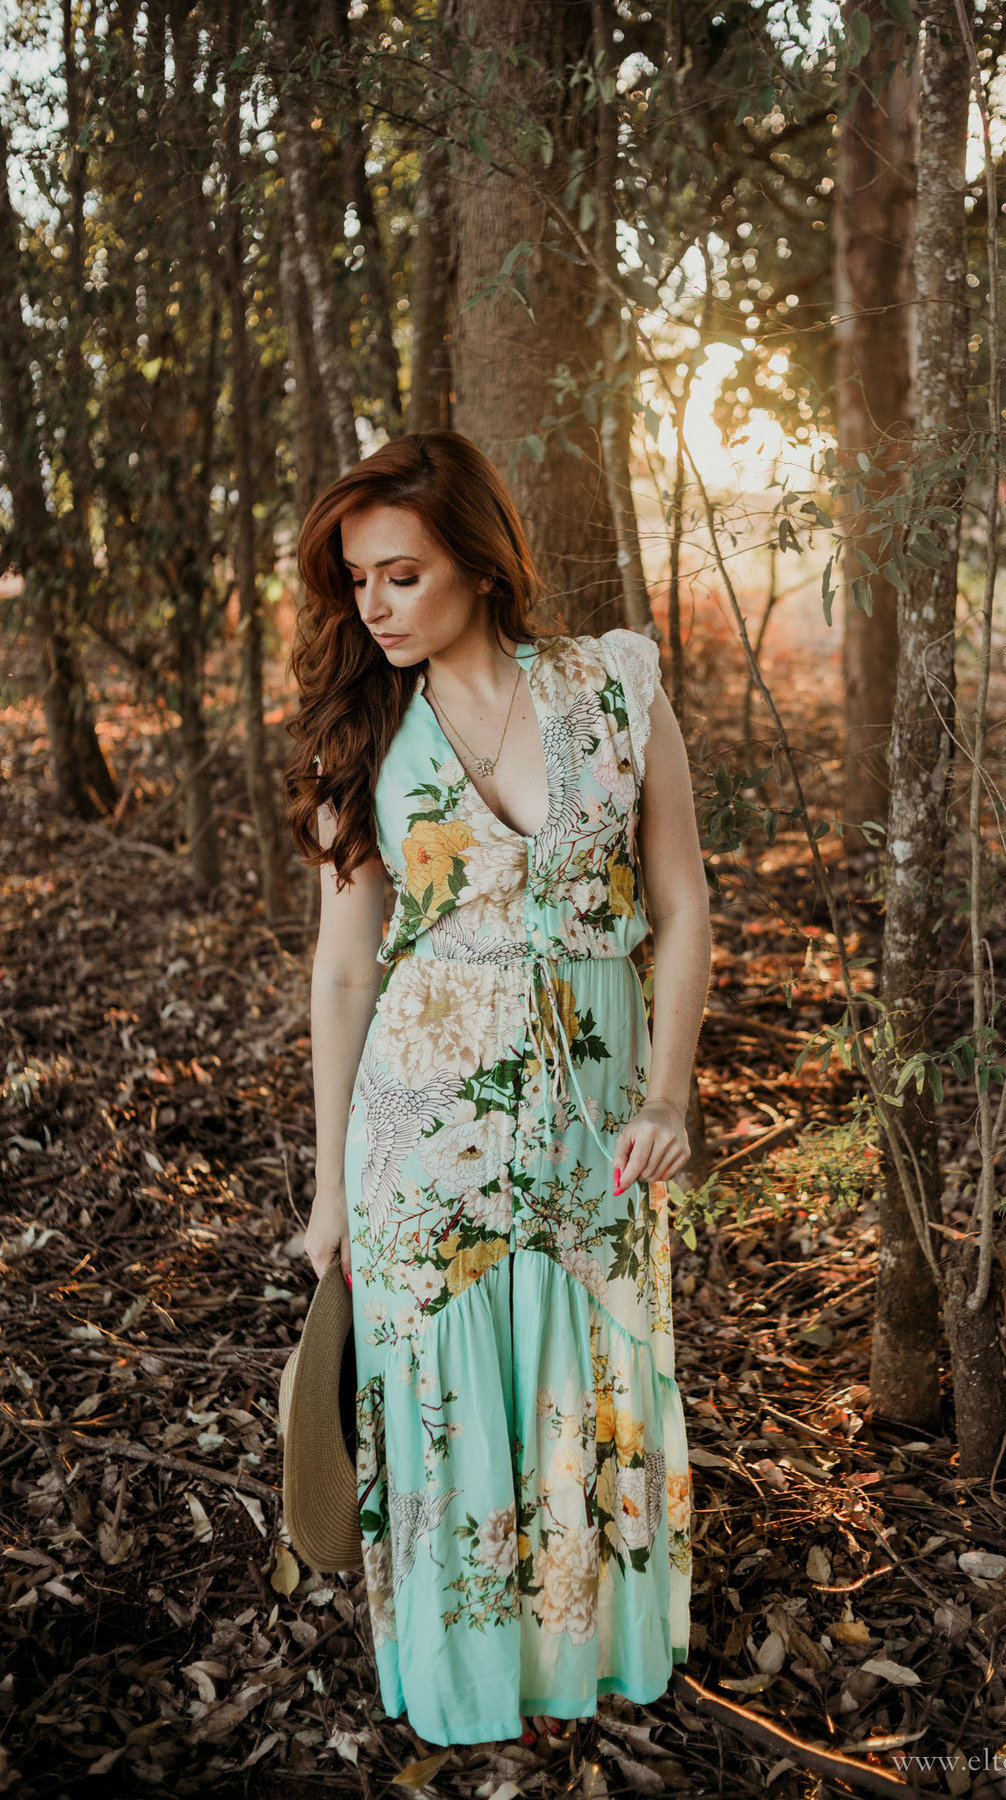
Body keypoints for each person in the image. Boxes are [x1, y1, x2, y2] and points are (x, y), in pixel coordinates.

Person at [284, 431, 712, 1750]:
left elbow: (684, 905)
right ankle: (469, 1681)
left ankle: (587, 1659)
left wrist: (668, 1095)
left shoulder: (613, 686)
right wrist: (330, 1188)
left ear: (477, 562)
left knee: (590, 1368)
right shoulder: (362, 736)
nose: (375, 605)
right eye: (358, 579)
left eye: (402, 573)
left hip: (596, 1124)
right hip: (422, 1129)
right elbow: (344, 971)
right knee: (447, 1392)